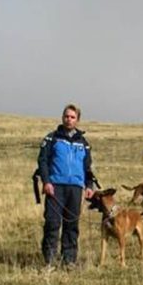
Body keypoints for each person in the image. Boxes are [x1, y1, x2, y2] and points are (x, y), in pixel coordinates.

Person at [37, 104, 95, 270]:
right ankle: (49, 261)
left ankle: (69, 261)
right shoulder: (52, 138)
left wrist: (89, 186)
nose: (69, 119)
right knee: (52, 224)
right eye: (66, 116)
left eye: (72, 117)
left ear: (77, 120)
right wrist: (46, 181)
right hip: (55, 187)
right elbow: (43, 161)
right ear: (62, 117)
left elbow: (88, 167)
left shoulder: (83, 143)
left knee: (72, 225)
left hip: (75, 189)